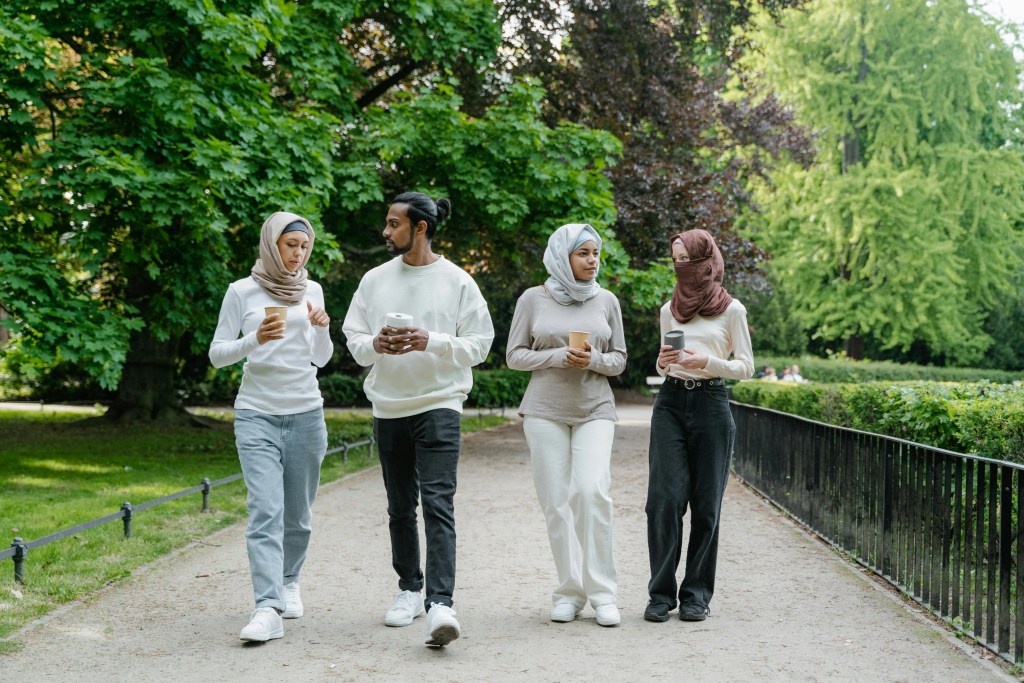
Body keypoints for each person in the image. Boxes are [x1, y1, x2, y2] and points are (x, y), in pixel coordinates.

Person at [342, 192, 494, 648]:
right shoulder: (373, 280)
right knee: (398, 507)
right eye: (387, 224)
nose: (386, 232)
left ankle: (440, 604)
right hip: (389, 406)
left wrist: (432, 341)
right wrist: (376, 347)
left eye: (393, 224)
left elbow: (481, 344)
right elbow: (353, 337)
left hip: (441, 404)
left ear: (420, 228)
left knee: (438, 504)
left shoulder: (459, 282)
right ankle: (409, 588)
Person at [209, 212, 333, 642]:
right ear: (271, 245)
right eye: (290, 245)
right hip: (256, 414)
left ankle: (289, 581)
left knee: (297, 516)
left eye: (304, 246)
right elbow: (217, 354)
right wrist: (255, 340)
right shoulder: (241, 292)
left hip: (306, 414)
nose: (298, 254)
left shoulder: (312, 290)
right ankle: (267, 607)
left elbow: (322, 359)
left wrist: (322, 329)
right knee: (266, 511)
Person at [506, 223, 627, 627]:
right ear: (563, 256)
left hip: (595, 408)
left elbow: (619, 360)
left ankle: (603, 594)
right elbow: (514, 356)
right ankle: (569, 592)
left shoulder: (606, 300)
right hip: (544, 410)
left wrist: (591, 359)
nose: (593, 261)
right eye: (584, 254)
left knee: (592, 492)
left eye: (595, 254)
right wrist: (557, 357)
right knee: (556, 503)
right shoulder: (531, 299)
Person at [644, 229, 754, 623]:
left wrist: (706, 362)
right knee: (663, 501)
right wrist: (664, 361)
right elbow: (663, 363)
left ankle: (696, 594)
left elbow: (746, 367)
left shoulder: (732, 310)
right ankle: (660, 594)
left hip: (711, 403)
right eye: (675, 260)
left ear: (706, 261)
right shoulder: (668, 309)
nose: (681, 267)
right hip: (671, 401)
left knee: (706, 506)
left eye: (687, 259)